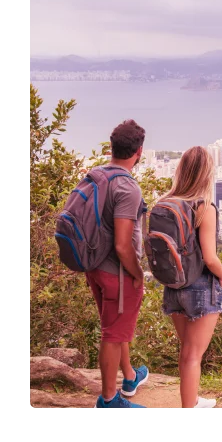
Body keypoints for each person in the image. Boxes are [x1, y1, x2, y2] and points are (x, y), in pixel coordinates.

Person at [160, 146, 222, 409]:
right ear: (207, 174)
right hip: (200, 287)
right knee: (193, 355)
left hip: (173, 285)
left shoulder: (166, 202)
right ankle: (189, 408)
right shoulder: (204, 208)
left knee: (186, 351)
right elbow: (209, 257)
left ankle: (193, 400)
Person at [87, 120, 150, 409]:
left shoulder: (96, 175)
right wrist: (137, 273)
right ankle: (109, 401)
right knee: (112, 335)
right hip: (117, 273)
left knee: (115, 326)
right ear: (139, 151)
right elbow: (123, 245)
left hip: (94, 266)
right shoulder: (127, 187)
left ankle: (129, 378)